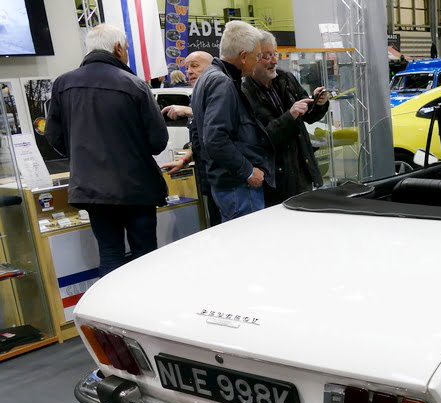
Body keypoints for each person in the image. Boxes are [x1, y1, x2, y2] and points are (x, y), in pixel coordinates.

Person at [45, 24, 168, 277]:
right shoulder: (135, 85)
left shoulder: (63, 85)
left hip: (91, 189)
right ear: (118, 48)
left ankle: (108, 312)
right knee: (145, 257)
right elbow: (158, 141)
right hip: (137, 188)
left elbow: (53, 136)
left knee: (109, 253)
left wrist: (81, 156)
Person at [190, 21, 274, 222]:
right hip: (238, 187)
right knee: (248, 245)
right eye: (258, 56)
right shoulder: (222, 82)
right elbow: (215, 138)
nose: (259, 60)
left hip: (227, 183)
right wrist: (247, 171)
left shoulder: (208, 77)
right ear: (244, 56)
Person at [242, 30, 329, 204]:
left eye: (275, 54)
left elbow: (309, 116)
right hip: (275, 180)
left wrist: (319, 103)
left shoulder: (286, 79)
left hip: (302, 171)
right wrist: (290, 116)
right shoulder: (245, 92)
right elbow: (261, 139)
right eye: (267, 56)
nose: (274, 61)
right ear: (252, 58)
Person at [158, 52, 221, 225]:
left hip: (226, 183)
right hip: (209, 181)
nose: (189, 72)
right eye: (186, 67)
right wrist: (185, 159)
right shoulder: (197, 97)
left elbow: (221, 128)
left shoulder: (222, 90)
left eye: (194, 66)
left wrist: (190, 111)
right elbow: (201, 141)